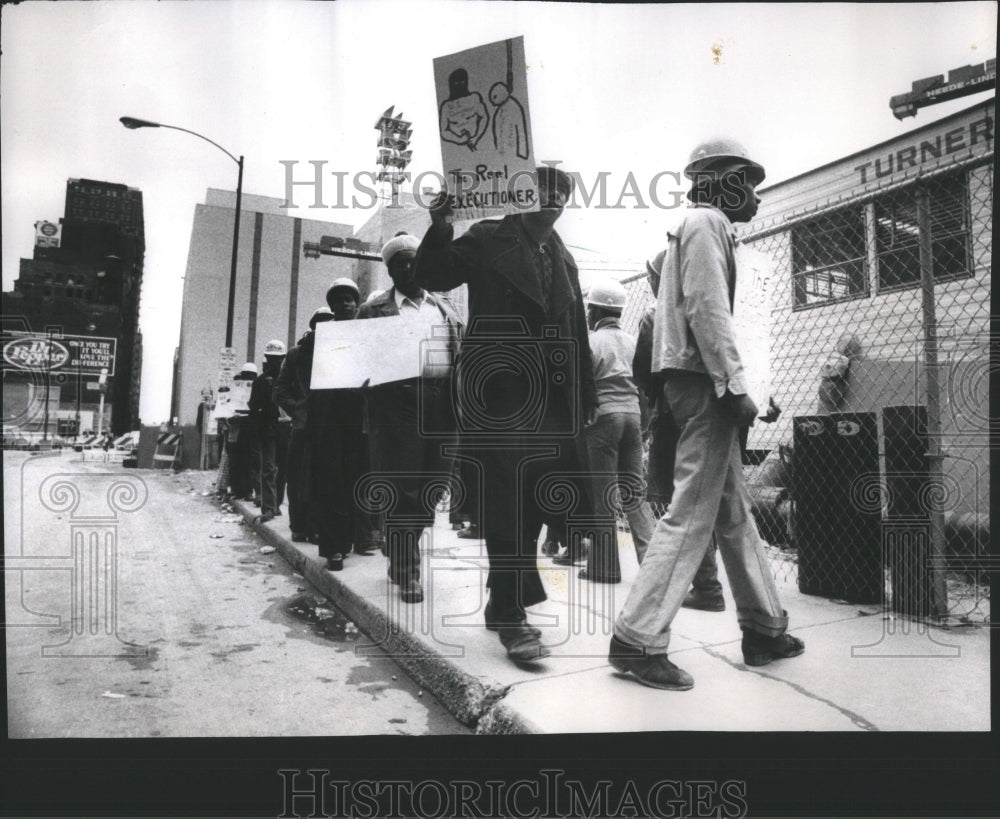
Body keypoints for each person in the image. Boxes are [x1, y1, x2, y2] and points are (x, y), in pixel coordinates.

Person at [610, 139, 804, 690]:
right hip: (705, 385)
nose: (757, 195)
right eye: (750, 181)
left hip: (702, 382)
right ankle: (636, 639)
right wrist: (734, 384)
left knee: (734, 511)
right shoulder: (703, 222)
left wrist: (748, 386)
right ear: (723, 180)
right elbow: (708, 308)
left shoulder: (704, 227)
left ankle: (765, 628)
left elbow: (718, 313)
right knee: (692, 512)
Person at [415, 166, 597, 663]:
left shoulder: (564, 257)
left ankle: (502, 601)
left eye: (562, 193)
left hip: (552, 400)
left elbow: (577, 329)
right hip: (497, 393)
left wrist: (585, 397)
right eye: (543, 190)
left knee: (538, 501)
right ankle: (513, 616)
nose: (553, 200)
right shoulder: (487, 236)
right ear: (522, 194)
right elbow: (432, 274)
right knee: (505, 501)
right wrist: (440, 222)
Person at [357, 234, 464, 604]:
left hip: (443, 407)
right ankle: (407, 573)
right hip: (397, 408)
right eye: (399, 263)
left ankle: (396, 541)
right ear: (388, 271)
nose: (407, 268)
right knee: (404, 490)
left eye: (413, 260)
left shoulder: (446, 310)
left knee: (433, 489)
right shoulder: (373, 311)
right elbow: (354, 365)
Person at [634, 252, 726, 612]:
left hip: (676, 417)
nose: (650, 284)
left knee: (681, 502)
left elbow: (643, 372)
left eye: (652, 277)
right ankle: (709, 585)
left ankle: (705, 587)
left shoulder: (655, 317)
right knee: (714, 503)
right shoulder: (710, 307)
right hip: (717, 413)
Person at [574, 277, 656, 583]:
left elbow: (582, 389)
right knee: (635, 494)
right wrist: (644, 427)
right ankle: (651, 568)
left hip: (603, 419)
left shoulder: (591, 343)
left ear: (593, 311)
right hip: (633, 417)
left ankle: (605, 567)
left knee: (604, 496)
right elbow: (645, 387)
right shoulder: (633, 342)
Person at [275, 308, 332, 543]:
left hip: (329, 426)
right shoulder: (296, 354)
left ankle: (316, 527)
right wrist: (298, 409)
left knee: (323, 478)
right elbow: (280, 390)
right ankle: (299, 525)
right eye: (322, 323)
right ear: (314, 326)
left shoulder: (338, 352)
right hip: (303, 426)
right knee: (298, 477)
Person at [249, 339, 288, 523]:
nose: (275, 363)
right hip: (269, 429)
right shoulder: (260, 382)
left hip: (284, 429)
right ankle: (269, 508)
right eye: (272, 359)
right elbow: (253, 405)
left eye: (277, 359)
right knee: (269, 468)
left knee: (281, 469)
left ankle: (276, 505)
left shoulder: (288, 380)